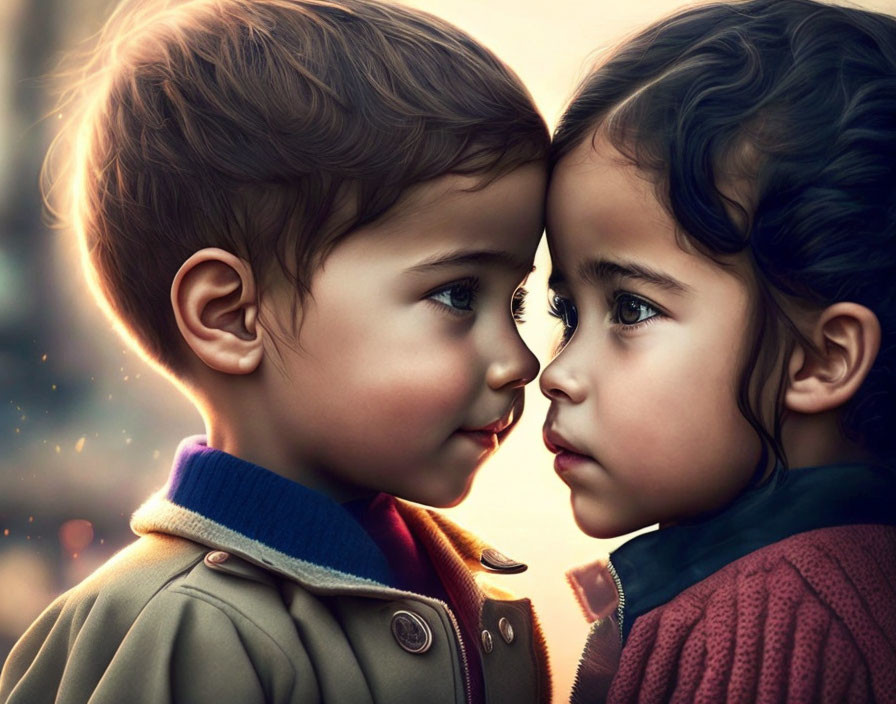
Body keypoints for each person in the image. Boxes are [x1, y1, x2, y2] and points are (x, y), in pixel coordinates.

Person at [0, 1, 552, 702]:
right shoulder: (175, 627)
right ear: (230, 316)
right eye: (458, 295)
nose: (521, 361)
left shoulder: (438, 572)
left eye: (518, 302)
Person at [540, 0, 896, 701]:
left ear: (822, 360)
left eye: (631, 308)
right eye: (567, 312)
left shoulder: (772, 625)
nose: (557, 373)